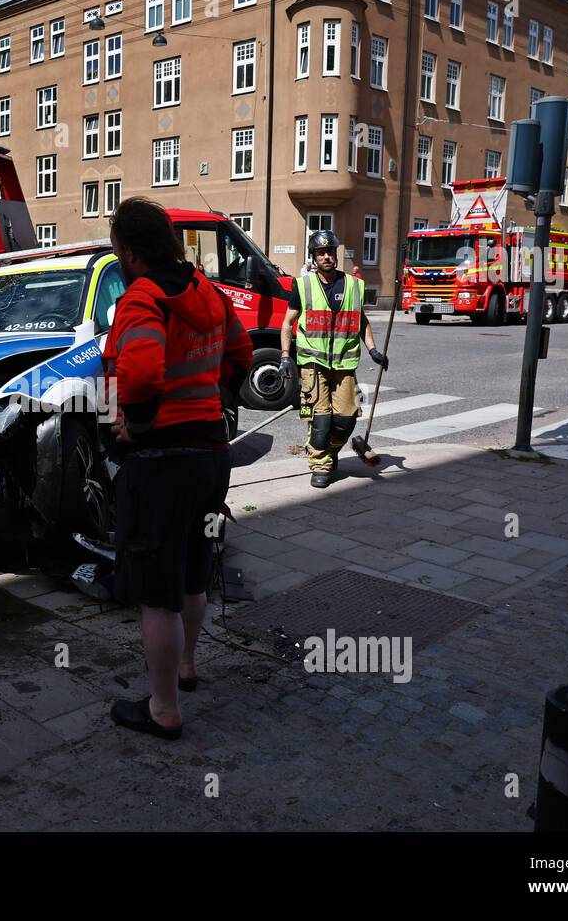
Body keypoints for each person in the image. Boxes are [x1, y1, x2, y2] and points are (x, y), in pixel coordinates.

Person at [102, 197, 254, 740]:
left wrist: (140, 426)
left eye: (118, 248)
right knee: (193, 570)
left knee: (155, 590)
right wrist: (211, 403)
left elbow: (140, 374)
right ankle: (187, 666)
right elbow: (240, 354)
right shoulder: (206, 291)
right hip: (211, 455)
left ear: (130, 251)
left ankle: (163, 708)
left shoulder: (142, 298)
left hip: (161, 460)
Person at [280, 230, 386, 489]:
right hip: (313, 364)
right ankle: (321, 465)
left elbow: (361, 322)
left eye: (330, 252)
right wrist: (285, 356)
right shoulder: (302, 285)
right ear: (313, 257)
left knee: (347, 417)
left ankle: (330, 450)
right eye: (320, 253)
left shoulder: (354, 285)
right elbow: (287, 324)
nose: (326, 256)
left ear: (335, 254)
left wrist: (373, 350)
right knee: (321, 418)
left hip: (344, 364)